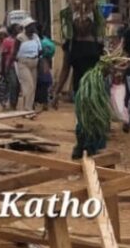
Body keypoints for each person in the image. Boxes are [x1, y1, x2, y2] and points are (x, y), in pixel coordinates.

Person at [54, 15, 105, 158]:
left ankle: (92, 147)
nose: (82, 24)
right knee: (82, 117)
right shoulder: (70, 44)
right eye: (78, 21)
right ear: (73, 24)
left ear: (91, 23)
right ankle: (81, 143)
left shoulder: (98, 43)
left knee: (96, 117)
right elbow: (65, 69)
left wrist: (109, 70)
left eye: (86, 21)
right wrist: (57, 92)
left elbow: (104, 65)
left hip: (96, 86)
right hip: (80, 86)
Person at [15, 21, 42, 111]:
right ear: (26, 27)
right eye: (31, 26)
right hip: (23, 63)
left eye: (33, 26)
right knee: (28, 85)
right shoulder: (20, 37)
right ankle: (27, 109)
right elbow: (15, 51)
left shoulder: (35, 37)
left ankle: (27, 107)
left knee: (33, 86)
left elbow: (40, 50)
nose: (33, 28)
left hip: (34, 63)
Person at [0, 24, 20, 109]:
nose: (19, 29)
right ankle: (12, 104)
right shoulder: (7, 41)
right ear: (13, 30)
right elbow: (3, 56)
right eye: (17, 28)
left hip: (19, 66)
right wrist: (3, 69)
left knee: (18, 85)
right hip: (10, 66)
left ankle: (14, 103)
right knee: (13, 84)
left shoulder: (20, 40)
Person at [35, 25, 56, 111]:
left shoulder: (38, 41)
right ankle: (43, 103)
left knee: (41, 83)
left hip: (41, 63)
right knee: (43, 83)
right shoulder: (45, 41)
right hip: (43, 63)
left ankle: (43, 103)